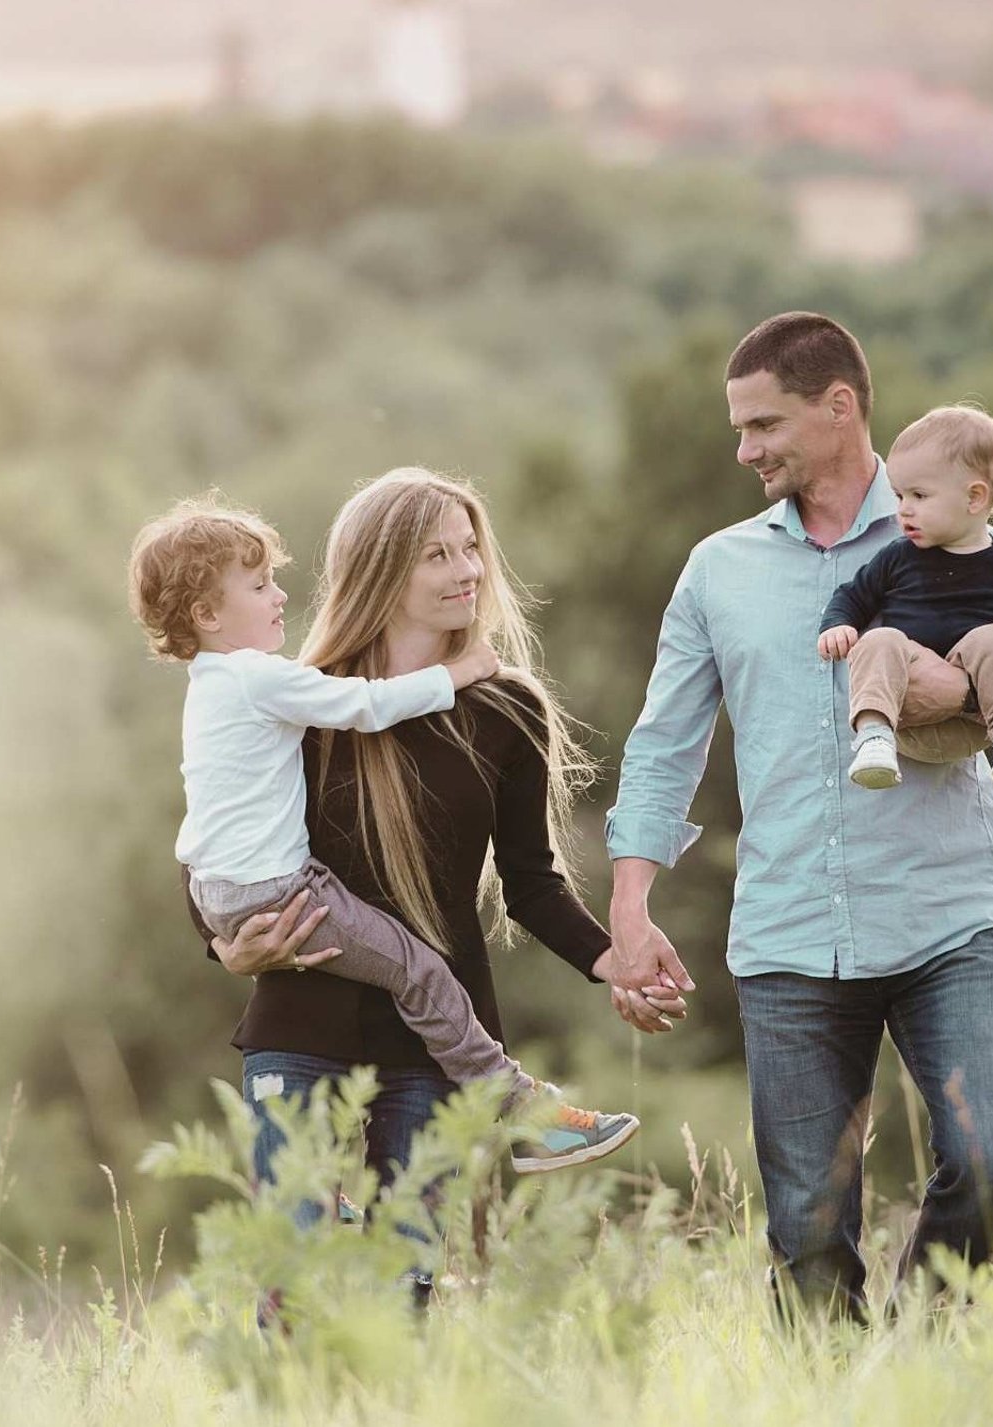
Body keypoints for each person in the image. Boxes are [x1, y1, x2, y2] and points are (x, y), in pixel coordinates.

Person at [603, 313, 993, 1318]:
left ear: (840, 408)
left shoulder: (969, 537)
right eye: (739, 430)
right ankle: (838, 1394)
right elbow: (665, 743)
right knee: (805, 1227)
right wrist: (630, 908)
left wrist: (987, 696)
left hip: (948, 917)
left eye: (763, 425)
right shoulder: (719, 569)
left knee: (992, 1163)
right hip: (790, 931)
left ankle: (912, 1360)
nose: (745, 449)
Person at [183, 469, 662, 1267]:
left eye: (471, 548)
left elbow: (530, 878)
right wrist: (223, 942)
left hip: (434, 1042)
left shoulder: (508, 708)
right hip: (302, 1022)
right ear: (382, 571)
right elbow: (218, 830)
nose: (467, 570)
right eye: (437, 554)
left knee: (404, 1281)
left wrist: (614, 960)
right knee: (297, 1281)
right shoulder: (305, 697)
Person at [817, 403, 993, 790]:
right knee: (880, 640)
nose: (903, 510)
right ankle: (873, 737)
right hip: (908, 717)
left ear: (975, 498)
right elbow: (852, 596)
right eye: (899, 495)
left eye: (919, 496)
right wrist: (837, 625)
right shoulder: (898, 556)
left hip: (981, 725)